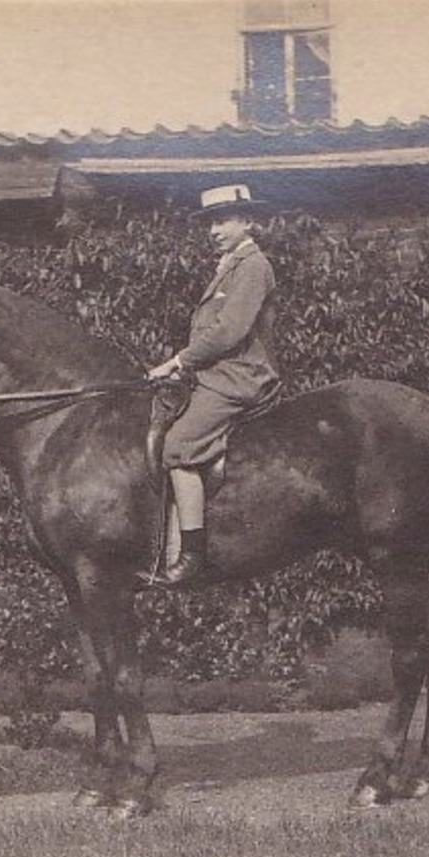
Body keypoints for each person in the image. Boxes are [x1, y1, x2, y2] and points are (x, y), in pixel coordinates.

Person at [146, 184, 280, 587]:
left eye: (223, 221)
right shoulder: (229, 264)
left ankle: (191, 557)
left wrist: (178, 361)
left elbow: (229, 330)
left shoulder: (253, 265)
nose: (214, 230)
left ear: (248, 221)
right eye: (210, 223)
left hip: (240, 377)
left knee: (178, 447)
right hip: (216, 373)